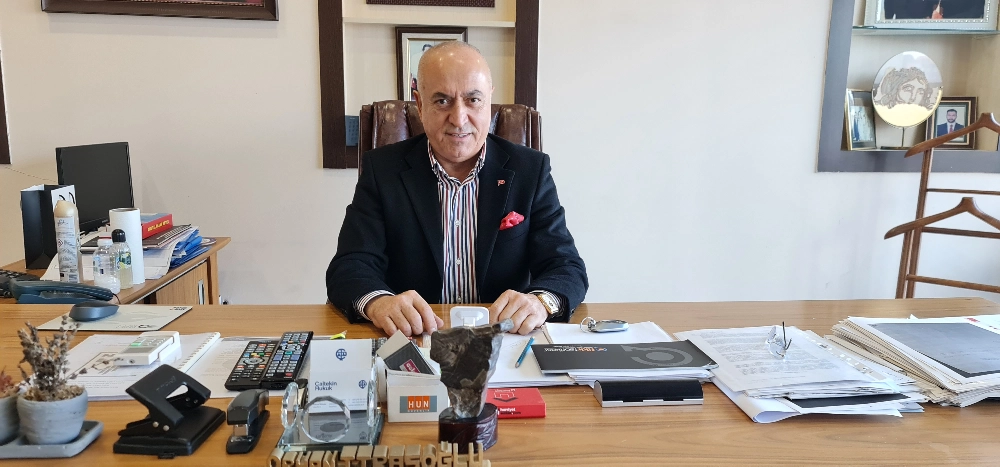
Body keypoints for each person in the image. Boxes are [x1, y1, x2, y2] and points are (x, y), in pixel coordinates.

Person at [327, 41, 588, 337]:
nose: (459, 118)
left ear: (489, 101)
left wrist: (540, 302)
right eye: (442, 101)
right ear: (420, 104)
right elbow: (351, 265)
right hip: (416, 338)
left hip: (504, 340)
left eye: (473, 100)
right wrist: (379, 303)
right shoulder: (383, 170)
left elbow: (566, 266)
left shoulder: (530, 170)